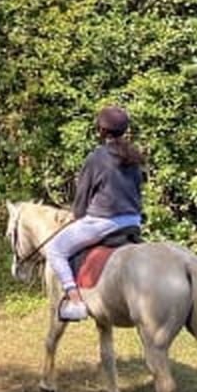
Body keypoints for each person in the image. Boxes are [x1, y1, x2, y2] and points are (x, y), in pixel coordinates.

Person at [47, 105, 144, 321]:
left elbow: (82, 200)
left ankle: (75, 301)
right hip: (133, 221)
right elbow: (138, 192)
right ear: (124, 131)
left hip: (103, 222)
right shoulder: (134, 157)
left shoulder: (96, 158)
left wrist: (77, 217)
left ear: (100, 130)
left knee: (55, 249)